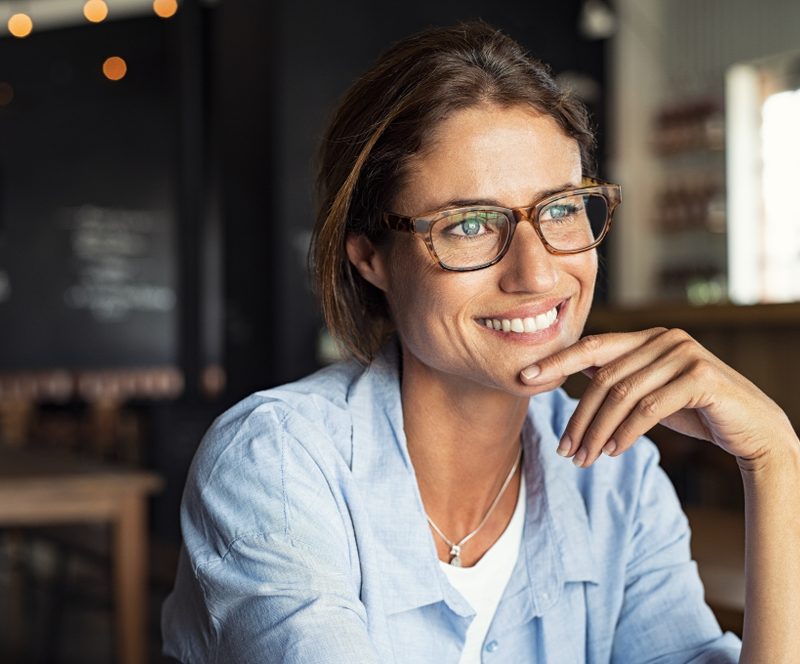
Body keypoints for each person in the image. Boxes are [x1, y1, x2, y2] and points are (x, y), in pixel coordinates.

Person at [162, 21, 800, 664]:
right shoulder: (278, 465)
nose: (538, 272)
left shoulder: (616, 478)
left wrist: (776, 462)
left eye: (560, 210)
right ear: (369, 257)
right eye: (468, 224)